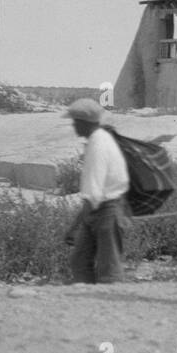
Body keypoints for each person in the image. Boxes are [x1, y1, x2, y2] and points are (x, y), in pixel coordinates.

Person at [63, 98, 129, 284]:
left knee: (109, 269)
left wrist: (75, 226)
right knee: (80, 261)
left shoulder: (98, 145)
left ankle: (111, 305)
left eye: (75, 122)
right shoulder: (99, 139)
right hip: (102, 210)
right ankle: (88, 301)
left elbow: (93, 193)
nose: (74, 126)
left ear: (84, 122)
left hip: (107, 211)